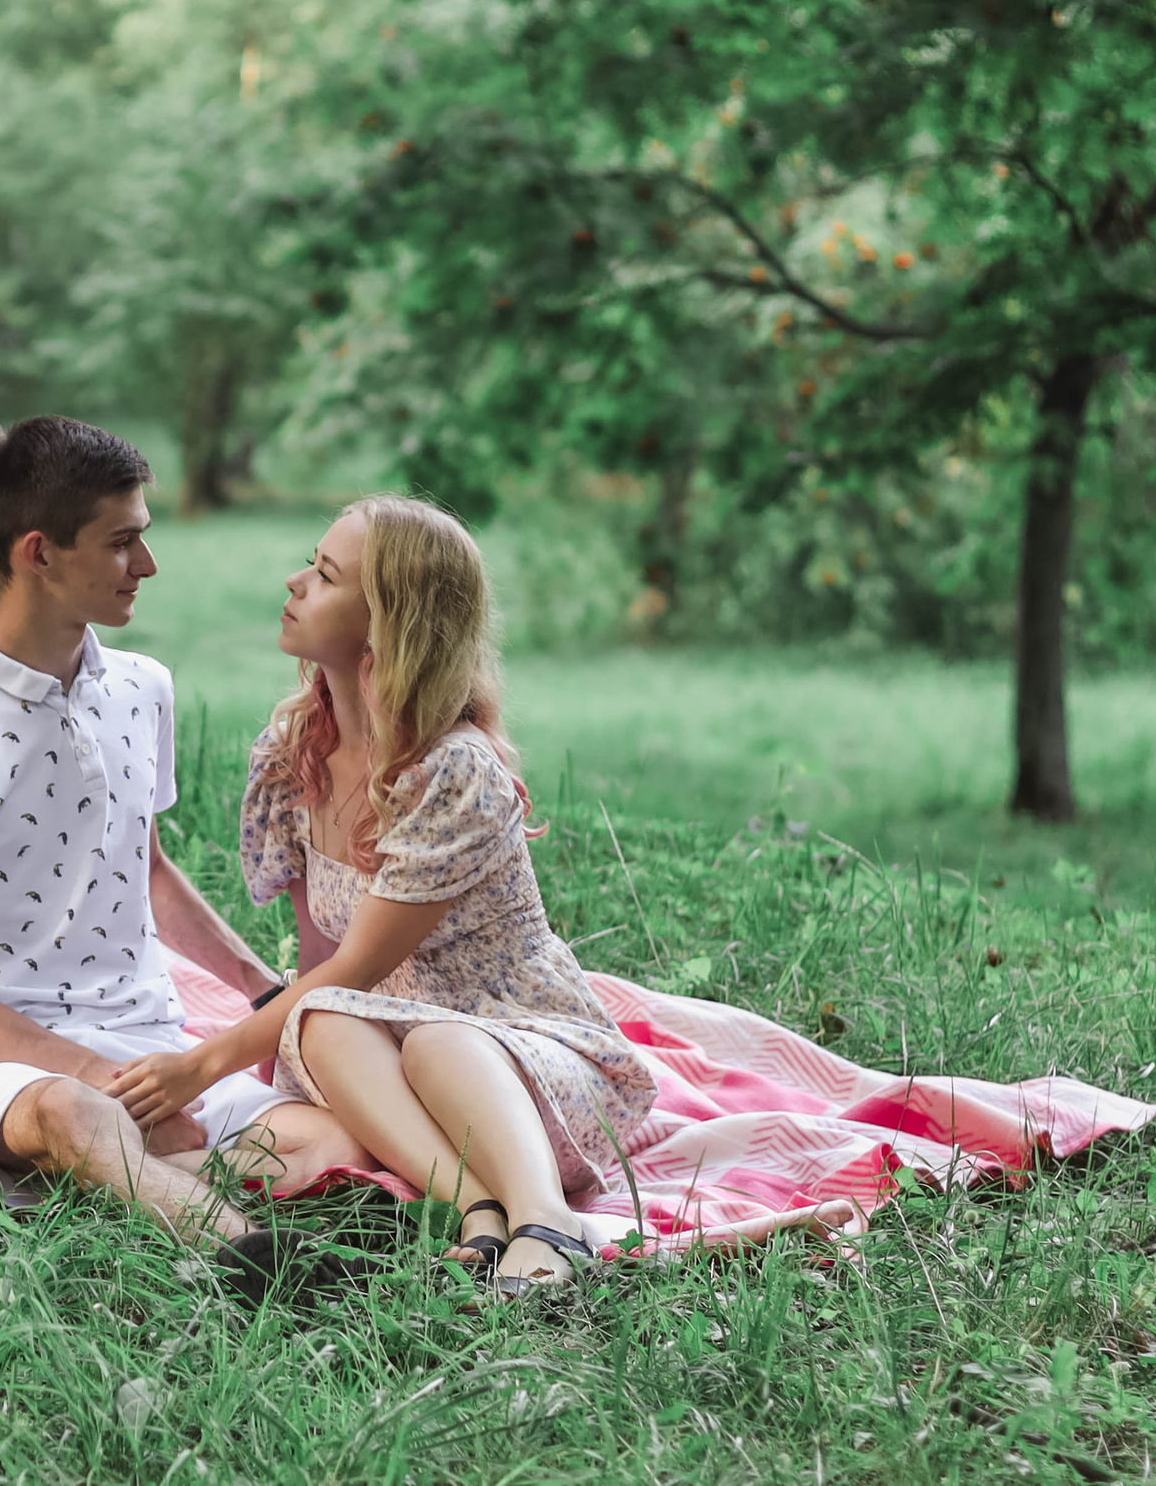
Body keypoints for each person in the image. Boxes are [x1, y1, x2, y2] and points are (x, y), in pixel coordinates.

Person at [107, 494, 857, 1297]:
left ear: (389, 623)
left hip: (521, 1057)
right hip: (387, 1061)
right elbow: (322, 968)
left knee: (429, 1041)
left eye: (325, 575)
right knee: (307, 1053)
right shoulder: (297, 753)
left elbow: (356, 968)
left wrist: (200, 1065)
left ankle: (547, 1219)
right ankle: (480, 1212)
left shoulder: (453, 770)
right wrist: (276, 1055)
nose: (295, 582)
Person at [0, 417, 368, 1298]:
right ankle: (257, 1260)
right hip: (1, 1060)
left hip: (149, 1041)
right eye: (122, 541)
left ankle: (19, 1181)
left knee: (331, 1140)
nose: (148, 564)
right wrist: (111, 1085)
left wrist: (266, 994)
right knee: (73, 1111)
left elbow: (150, 869)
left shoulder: (143, 688)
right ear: (38, 553)